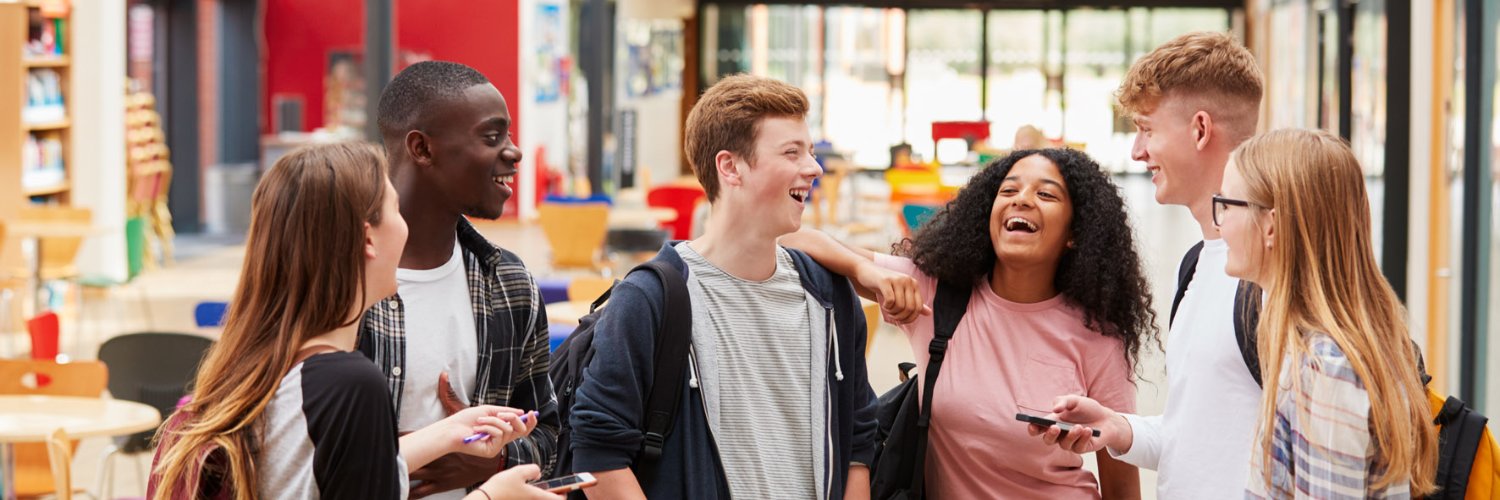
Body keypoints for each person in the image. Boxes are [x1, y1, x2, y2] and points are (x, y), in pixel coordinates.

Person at [149, 143, 558, 500]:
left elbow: (332, 475)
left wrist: (447, 434)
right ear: (367, 239)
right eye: (395, 210)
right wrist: (490, 496)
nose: (406, 226)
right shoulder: (349, 384)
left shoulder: (263, 369)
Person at [568, 73, 878, 500]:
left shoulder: (829, 295)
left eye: (809, 151)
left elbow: (858, 440)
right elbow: (598, 453)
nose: (814, 167)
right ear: (730, 167)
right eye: (792, 152)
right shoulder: (650, 299)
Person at [785, 147, 1155, 499]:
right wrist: (867, 270)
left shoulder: (1099, 337)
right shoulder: (937, 294)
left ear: (1074, 233)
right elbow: (790, 237)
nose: (1021, 199)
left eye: (1046, 194)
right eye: (1008, 190)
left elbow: (1122, 489)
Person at [1027, 31, 1267, 499]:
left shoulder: (1269, 276)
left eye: (1148, 129)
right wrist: (1118, 428)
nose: (1137, 151)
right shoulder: (1196, 265)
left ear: (1200, 130)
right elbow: (1199, 437)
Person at [361, 60, 559, 498]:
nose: (514, 152)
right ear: (422, 148)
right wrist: (419, 448)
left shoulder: (510, 284)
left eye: (508, 135)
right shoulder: (339, 279)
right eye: (492, 137)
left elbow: (549, 433)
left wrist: (493, 457)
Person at [1216, 129, 1436, 497]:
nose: (1219, 222)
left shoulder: (1327, 369)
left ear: (1270, 226)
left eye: (1226, 205)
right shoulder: (1322, 354)